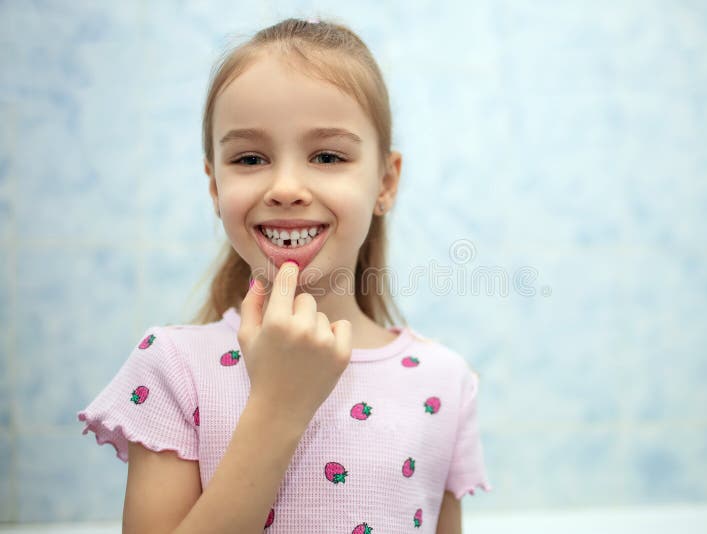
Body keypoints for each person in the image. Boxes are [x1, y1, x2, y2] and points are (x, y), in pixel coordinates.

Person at [77, 16, 491, 534]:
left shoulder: (444, 381)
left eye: (327, 155)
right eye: (250, 158)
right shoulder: (173, 369)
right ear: (214, 187)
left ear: (385, 182)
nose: (287, 187)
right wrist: (278, 405)